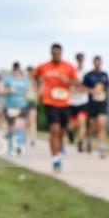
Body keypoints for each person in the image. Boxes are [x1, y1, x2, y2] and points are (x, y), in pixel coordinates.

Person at [33, 44, 80, 172]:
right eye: (54, 53)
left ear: (61, 53)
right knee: (54, 129)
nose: (56, 55)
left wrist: (68, 81)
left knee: (61, 132)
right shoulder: (43, 67)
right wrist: (37, 92)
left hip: (64, 103)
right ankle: (55, 160)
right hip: (49, 102)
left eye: (58, 53)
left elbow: (76, 83)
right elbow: (34, 77)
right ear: (51, 53)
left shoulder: (69, 67)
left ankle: (58, 152)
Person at [82, 55, 109, 158]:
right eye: (96, 62)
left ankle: (102, 149)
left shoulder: (105, 75)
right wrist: (90, 91)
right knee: (92, 126)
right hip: (92, 103)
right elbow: (82, 87)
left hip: (102, 103)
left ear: (101, 63)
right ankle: (89, 141)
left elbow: (108, 86)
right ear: (93, 63)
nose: (97, 64)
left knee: (102, 125)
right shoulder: (88, 75)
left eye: (99, 62)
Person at [0, 62, 30, 156]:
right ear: (13, 69)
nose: (16, 71)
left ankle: (20, 145)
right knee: (12, 128)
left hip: (22, 105)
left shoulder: (24, 80)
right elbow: (1, 90)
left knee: (20, 125)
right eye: (15, 69)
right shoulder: (8, 79)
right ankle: (11, 147)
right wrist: (9, 90)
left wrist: (27, 97)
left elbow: (27, 91)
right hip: (10, 106)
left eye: (18, 69)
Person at [67, 53, 90, 151]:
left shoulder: (86, 73)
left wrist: (84, 88)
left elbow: (88, 87)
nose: (80, 61)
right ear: (77, 60)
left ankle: (80, 142)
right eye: (79, 59)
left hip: (83, 101)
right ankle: (70, 131)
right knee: (72, 125)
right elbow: (70, 85)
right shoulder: (72, 71)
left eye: (82, 59)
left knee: (82, 122)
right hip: (72, 102)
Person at [25, 65, 39, 147]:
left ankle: (33, 138)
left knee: (33, 120)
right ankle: (25, 136)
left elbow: (36, 91)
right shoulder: (24, 80)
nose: (30, 73)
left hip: (32, 102)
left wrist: (37, 101)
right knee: (26, 121)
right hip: (25, 102)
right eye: (29, 71)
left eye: (31, 71)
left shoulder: (35, 80)